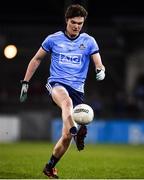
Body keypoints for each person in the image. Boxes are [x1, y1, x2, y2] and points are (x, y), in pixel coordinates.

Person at [20, 4, 105, 179]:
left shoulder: (89, 41)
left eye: (80, 23)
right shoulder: (53, 39)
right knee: (66, 102)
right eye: (74, 22)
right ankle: (76, 131)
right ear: (67, 20)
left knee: (65, 137)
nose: (77, 26)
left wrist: (100, 71)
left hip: (77, 90)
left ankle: (50, 166)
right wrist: (26, 82)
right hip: (57, 84)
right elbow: (36, 59)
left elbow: (98, 62)